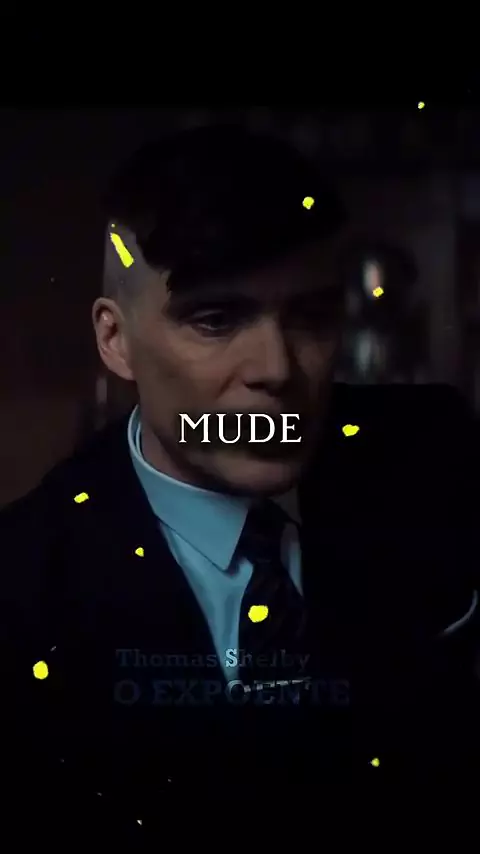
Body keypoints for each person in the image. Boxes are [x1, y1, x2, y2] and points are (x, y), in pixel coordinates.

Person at [1, 124, 479, 829]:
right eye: (216, 320)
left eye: (311, 317)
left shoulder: (436, 455)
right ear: (116, 339)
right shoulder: (23, 584)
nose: (276, 370)